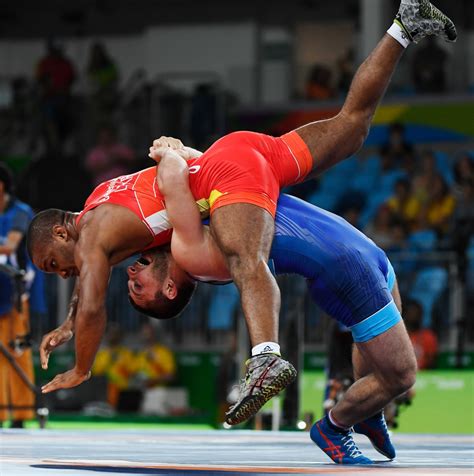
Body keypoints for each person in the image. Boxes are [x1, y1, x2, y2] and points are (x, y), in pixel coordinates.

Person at [28, 0, 456, 434]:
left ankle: (266, 356)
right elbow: (88, 286)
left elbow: (95, 303)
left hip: (228, 173)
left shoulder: (98, 238)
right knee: (353, 126)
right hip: (238, 156)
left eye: (52, 263)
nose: (60, 274)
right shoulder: (100, 199)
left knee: (246, 258)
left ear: (64, 231)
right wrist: (68, 323)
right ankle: (405, 24)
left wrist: (82, 367)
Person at [123, 187, 412, 464]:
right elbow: (176, 180)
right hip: (345, 268)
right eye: (137, 286)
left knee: (378, 356)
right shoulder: (196, 256)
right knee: (401, 374)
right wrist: (171, 153)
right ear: (170, 288)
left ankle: (369, 412)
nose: (130, 270)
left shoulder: (191, 234)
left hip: (365, 253)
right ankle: (335, 427)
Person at [0, 164, 36, 429]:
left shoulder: (20, 212)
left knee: (17, 352)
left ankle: (22, 413)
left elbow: (10, 245)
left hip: (15, 293)